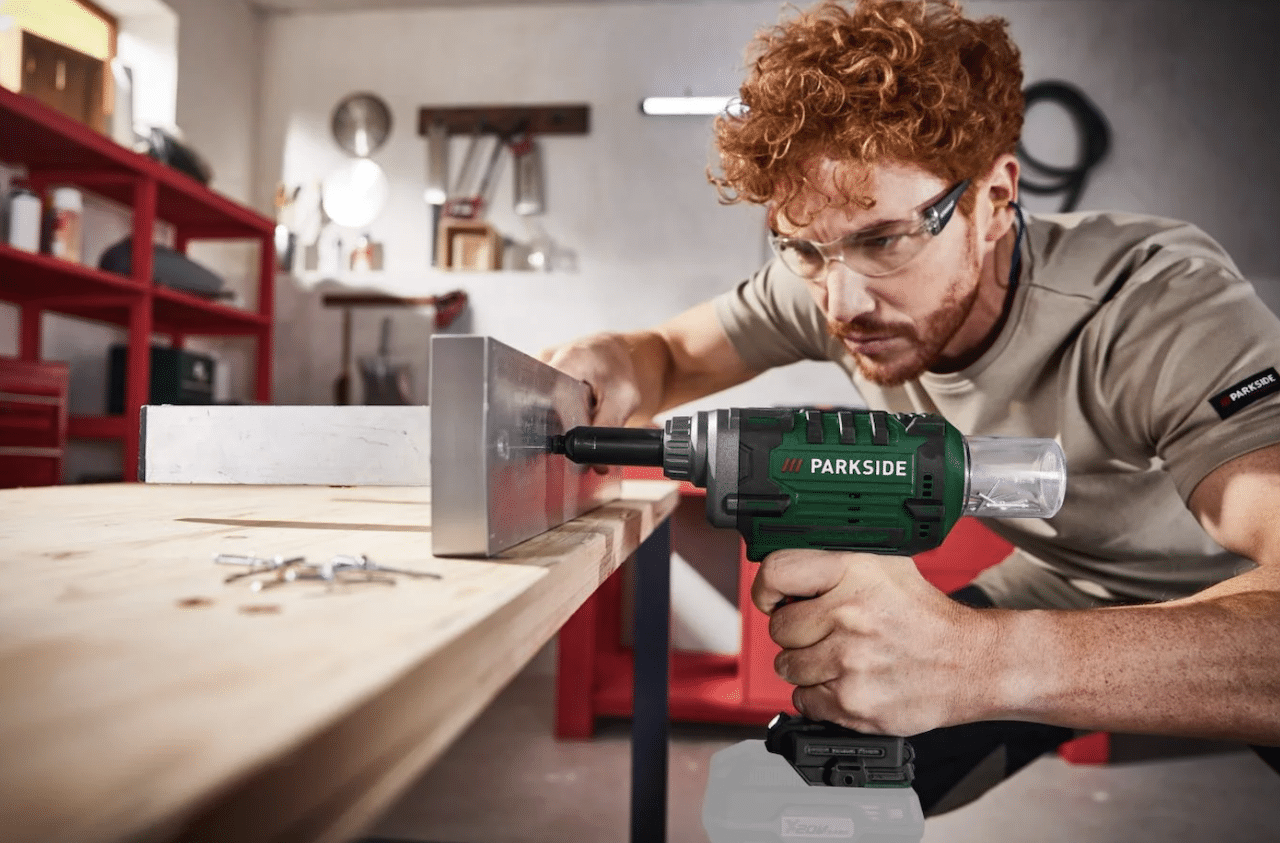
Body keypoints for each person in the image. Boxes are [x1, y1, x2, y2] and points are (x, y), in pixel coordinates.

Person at [541, 0, 1280, 815]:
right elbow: (670, 355)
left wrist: (975, 662)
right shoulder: (830, 280)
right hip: (1061, 584)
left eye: (885, 239)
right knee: (812, 789)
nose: (842, 301)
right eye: (804, 247)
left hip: (1233, 603)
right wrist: (610, 355)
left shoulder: (1153, 304)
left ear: (995, 198)